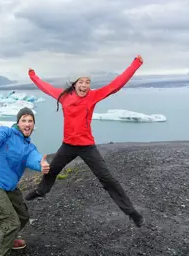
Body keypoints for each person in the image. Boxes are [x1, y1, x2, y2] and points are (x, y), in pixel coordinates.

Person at [25, 55, 145, 228]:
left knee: (107, 178)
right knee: (51, 170)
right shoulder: (63, 96)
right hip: (68, 146)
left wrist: (136, 64)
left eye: (87, 82)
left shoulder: (93, 96)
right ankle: (40, 191)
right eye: (81, 81)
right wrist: (33, 76)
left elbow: (116, 85)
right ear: (74, 83)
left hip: (87, 146)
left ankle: (132, 212)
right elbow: (45, 87)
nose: (84, 85)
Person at [0, 107, 50, 256]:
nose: (27, 123)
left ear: (33, 125)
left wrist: (42, 165)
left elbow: (35, 158)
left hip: (9, 186)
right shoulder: (7, 133)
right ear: (18, 123)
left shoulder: (29, 147)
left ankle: (9, 239)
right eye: (23, 120)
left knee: (23, 217)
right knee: (11, 223)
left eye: (30, 121)